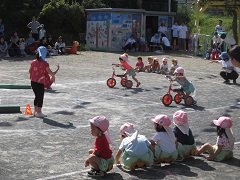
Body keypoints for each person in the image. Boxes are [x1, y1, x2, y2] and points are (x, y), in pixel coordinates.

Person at [29, 46, 55, 118]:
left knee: (36, 96)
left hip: (33, 82)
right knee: (40, 96)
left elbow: (29, 71)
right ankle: (39, 112)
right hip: (40, 82)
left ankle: (35, 111)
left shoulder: (33, 62)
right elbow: (49, 71)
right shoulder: (44, 63)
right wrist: (53, 76)